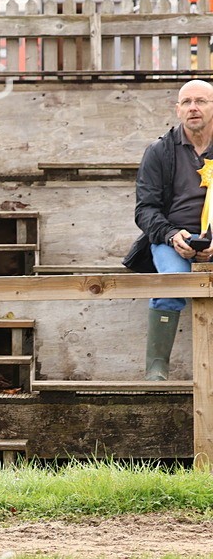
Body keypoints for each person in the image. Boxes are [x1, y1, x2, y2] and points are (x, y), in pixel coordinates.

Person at [124, 79, 213, 380]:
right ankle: (157, 368)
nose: (193, 108)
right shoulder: (159, 151)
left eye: (200, 101)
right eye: (186, 103)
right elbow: (145, 209)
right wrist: (172, 235)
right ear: (177, 110)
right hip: (170, 237)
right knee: (171, 284)